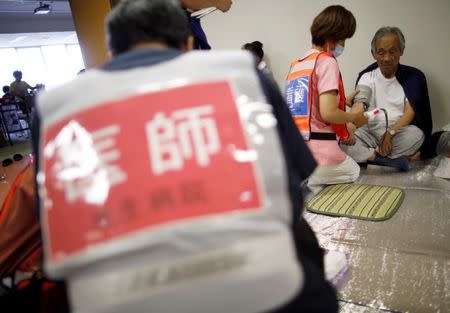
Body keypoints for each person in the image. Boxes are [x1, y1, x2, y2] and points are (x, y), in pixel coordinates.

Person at [32, 0, 337, 312]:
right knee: (300, 237)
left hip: (122, 299)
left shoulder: (55, 110)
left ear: (112, 53)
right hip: (265, 292)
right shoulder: (244, 77)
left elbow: (61, 235)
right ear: (189, 44)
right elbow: (294, 185)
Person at [285, 5, 368, 188]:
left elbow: (308, 106)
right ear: (332, 38)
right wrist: (354, 117)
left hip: (295, 150)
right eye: (344, 39)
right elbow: (328, 113)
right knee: (353, 171)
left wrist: (343, 103)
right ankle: (312, 181)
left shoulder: (297, 64)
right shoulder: (327, 61)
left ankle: (306, 179)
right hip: (319, 153)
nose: (343, 45)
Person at [341, 27, 430, 171]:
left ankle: (369, 157)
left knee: (417, 135)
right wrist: (351, 123)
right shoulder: (367, 76)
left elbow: (410, 112)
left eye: (392, 51)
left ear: (401, 50)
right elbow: (360, 103)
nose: (387, 58)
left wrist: (390, 133)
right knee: (341, 141)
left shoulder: (413, 77)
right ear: (374, 53)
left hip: (397, 133)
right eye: (381, 52)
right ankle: (386, 160)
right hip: (368, 133)